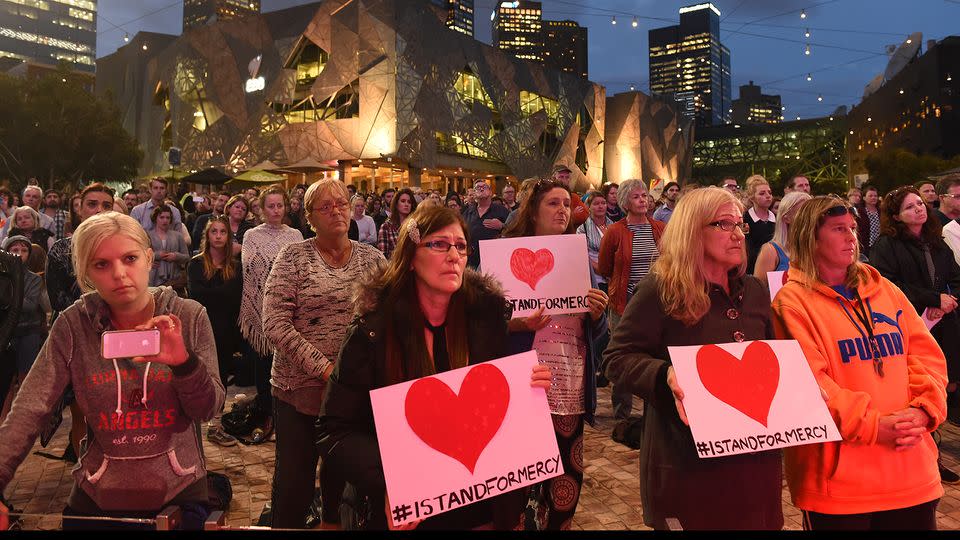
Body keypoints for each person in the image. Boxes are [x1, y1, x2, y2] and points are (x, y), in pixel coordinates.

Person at [317, 205, 551, 530]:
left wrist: (528, 389)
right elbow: (334, 429)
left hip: (480, 509)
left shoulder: (486, 320)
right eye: (439, 244)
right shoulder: (373, 331)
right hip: (411, 511)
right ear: (412, 257)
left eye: (460, 246)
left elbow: (496, 410)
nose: (453, 255)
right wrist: (389, 483)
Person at [0, 211, 224, 530]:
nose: (119, 274)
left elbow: (208, 408)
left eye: (130, 258)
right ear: (87, 274)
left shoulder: (187, 317)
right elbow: (29, 409)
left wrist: (184, 364)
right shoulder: (73, 325)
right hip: (98, 493)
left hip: (176, 492)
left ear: (149, 259)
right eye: (102, 264)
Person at [603, 187, 784, 530]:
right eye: (723, 224)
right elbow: (616, 357)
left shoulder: (756, 291)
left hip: (755, 471)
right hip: (689, 467)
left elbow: (771, 361)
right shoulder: (661, 288)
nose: (737, 234)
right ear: (691, 230)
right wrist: (664, 374)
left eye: (740, 226)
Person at [771, 196, 947, 531]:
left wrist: (924, 409)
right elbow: (810, 381)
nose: (851, 237)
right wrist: (873, 426)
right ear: (811, 237)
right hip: (840, 485)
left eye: (852, 228)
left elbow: (925, 355)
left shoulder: (885, 290)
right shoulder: (791, 302)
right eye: (839, 229)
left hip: (910, 470)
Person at [262, 179, 384, 529]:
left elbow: (390, 314)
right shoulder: (294, 258)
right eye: (325, 206)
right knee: (293, 487)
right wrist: (327, 369)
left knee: (342, 487)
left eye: (342, 203)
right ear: (310, 217)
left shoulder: (372, 259)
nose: (337, 211)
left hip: (351, 397)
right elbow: (275, 324)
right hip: (298, 392)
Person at [502, 179, 609, 530]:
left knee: (566, 483)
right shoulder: (506, 255)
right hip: (524, 382)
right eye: (553, 203)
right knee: (519, 481)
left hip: (570, 382)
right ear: (533, 210)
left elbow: (593, 333)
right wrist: (515, 324)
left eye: (566, 203)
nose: (562, 209)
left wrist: (598, 314)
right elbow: (486, 324)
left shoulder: (577, 258)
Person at [869, 186, 960, 481]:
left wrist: (947, 302)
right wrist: (933, 300)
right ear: (896, 216)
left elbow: (956, 276)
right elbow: (889, 285)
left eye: (920, 204)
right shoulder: (887, 245)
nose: (919, 209)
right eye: (910, 207)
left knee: (943, 383)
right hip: (906, 324)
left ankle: (935, 451)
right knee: (918, 384)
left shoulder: (935, 241)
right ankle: (930, 456)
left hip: (944, 323)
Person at [596, 178, 665, 430]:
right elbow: (604, 268)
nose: (642, 200)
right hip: (623, 302)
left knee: (654, 355)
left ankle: (653, 412)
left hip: (654, 302)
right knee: (623, 356)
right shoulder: (615, 231)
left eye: (645, 195)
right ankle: (622, 414)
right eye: (636, 196)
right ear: (625, 201)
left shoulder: (659, 228)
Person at [239, 186, 303, 441]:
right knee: (262, 362)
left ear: (285, 207)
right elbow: (250, 269)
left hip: (289, 308)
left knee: (287, 365)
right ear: (261, 209)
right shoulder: (252, 235)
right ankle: (266, 416)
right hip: (261, 305)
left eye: (279, 205)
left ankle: (285, 417)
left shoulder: (296, 234)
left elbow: (300, 268)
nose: (276, 210)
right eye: (271, 206)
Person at [187, 216, 243, 448]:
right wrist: (223, 292)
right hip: (203, 327)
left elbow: (235, 297)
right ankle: (190, 430)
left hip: (227, 328)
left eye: (223, 232)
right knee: (198, 377)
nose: (219, 236)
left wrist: (218, 293)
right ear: (207, 236)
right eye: (214, 232)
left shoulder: (236, 266)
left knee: (220, 377)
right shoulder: (196, 264)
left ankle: (215, 425)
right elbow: (199, 296)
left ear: (228, 237)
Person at [0, 236, 50, 397]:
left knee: (26, 375)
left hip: (28, 331)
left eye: (24, 250)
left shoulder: (33, 278)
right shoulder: (3, 277)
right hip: (6, 333)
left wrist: (7, 298)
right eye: (15, 250)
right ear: (7, 252)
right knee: (5, 379)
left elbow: (30, 305)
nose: (19, 254)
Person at [753, 191, 811, 287]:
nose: (809, 217)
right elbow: (756, 291)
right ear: (786, 218)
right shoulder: (770, 251)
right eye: (803, 212)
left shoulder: (814, 248)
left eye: (810, 212)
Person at [461, 179, 509, 269]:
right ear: (474, 193)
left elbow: (514, 230)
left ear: (490, 192)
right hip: (472, 261)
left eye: (484, 187)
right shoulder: (467, 212)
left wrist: (502, 226)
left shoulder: (501, 210)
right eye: (478, 188)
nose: (481, 189)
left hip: (495, 259)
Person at [147, 205, 190, 290]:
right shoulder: (148, 235)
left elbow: (187, 257)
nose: (165, 220)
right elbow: (142, 255)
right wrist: (157, 255)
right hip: (153, 279)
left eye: (168, 218)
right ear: (155, 218)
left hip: (174, 280)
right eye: (162, 217)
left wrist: (176, 256)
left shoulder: (178, 236)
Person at [577, 190, 613, 290]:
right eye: (596, 204)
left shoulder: (614, 226)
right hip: (595, 277)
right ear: (588, 207)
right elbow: (583, 255)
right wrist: (601, 270)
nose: (600, 206)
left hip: (614, 276)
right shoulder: (582, 229)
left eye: (603, 203)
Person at [742, 175, 776, 274]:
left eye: (769, 192)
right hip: (752, 269)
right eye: (762, 193)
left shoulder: (777, 218)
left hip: (775, 269)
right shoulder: (744, 219)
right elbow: (746, 246)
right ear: (752, 197)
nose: (768, 196)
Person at [377, 188, 416, 260]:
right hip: (394, 267)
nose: (406, 204)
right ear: (396, 204)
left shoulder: (415, 225)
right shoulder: (386, 227)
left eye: (409, 202)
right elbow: (383, 257)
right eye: (403, 201)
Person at [855, 184, 881, 258]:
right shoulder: (859, 212)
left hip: (880, 246)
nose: (873, 198)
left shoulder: (881, 211)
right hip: (865, 247)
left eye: (875, 196)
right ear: (864, 198)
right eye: (870, 196)